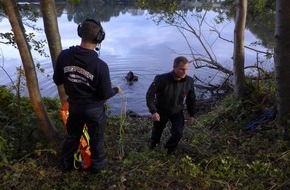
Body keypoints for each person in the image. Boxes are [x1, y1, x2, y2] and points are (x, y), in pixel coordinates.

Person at [53, 18, 122, 173]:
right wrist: (116, 90)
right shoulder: (101, 66)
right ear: (99, 38)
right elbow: (104, 93)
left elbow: (57, 80)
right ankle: (97, 167)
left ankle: (66, 165)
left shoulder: (64, 56)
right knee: (96, 139)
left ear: (80, 33)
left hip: (75, 107)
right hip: (94, 110)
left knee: (72, 136)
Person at [146, 56, 196, 154]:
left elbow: (191, 99)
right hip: (161, 110)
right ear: (174, 67)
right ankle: (152, 146)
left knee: (178, 133)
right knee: (157, 133)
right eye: (182, 69)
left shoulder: (189, 81)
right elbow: (150, 95)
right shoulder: (161, 79)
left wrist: (192, 114)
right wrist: (153, 111)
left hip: (177, 111)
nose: (185, 72)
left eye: (186, 69)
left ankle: (169, 149)